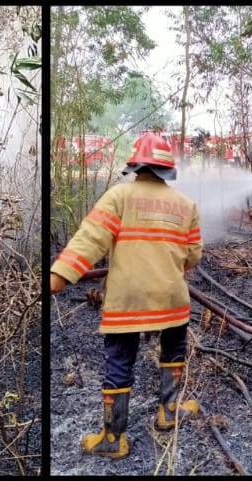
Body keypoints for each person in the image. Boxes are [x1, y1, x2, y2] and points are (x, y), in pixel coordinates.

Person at [49, 130, 204, 455]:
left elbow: (90, 239)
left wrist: (60, 275)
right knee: (173, 349)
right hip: (172, 298)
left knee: (120, 359)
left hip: (128, 301)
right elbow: (193, 255)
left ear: (135, 166)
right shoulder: (185, 204)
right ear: (167, 169)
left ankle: (112, 439)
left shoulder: (119, 197)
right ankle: (169, 412)